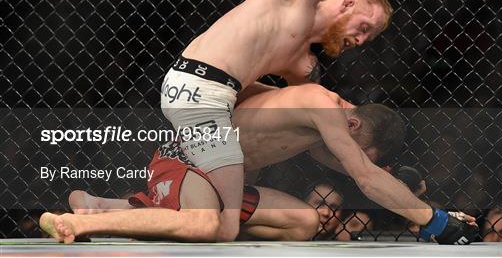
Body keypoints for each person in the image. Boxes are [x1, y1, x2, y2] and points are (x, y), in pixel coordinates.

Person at [158, 0, 393, 241]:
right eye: (363, 28)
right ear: (348, 3)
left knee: (254, 179)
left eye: (368, 38)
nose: (360, 41)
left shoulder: (303, 65)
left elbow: (305, 126)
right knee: (222, 227)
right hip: (201, 85)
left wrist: (364, 166)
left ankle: (110, 207)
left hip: (211, 95)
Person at [42, 84, 477, 244]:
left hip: (216, 183)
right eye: (359, 147)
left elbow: (368, 176)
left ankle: (100, 204)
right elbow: (364, 175)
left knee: (303, 223)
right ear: (354, 123)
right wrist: (434, 221)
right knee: (206, 225)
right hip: (187, 162)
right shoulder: (318, 105)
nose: (354, 156)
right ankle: (83, 223)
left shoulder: (320, 128)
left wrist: (427, 212)